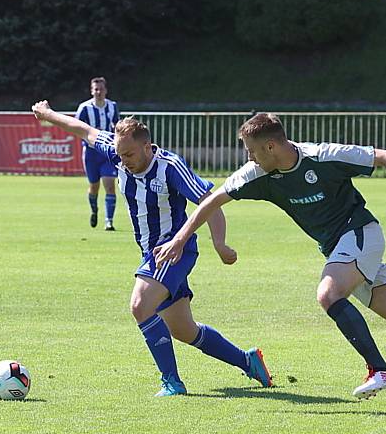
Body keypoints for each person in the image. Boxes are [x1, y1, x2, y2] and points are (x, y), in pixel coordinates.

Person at [154, 113, 386, 404]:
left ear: (271, 146)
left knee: (328, 294)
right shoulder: (257, 175)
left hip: (361, 233)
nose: (248, 157)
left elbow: (385, 156)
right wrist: (183, 239)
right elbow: (212, 201)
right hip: (341, 249)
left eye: (251, 150)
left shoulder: (324, 156)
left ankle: (379, 369)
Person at [31, 100, 273, 396]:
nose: (124, 160)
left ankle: (172, 382)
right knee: (184, 330)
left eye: (130, 154)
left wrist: (220, 244)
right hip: (151, 252)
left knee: (139, 305)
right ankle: (247, 361)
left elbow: (209, 201)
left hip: (175, 249)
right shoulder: (118, 153)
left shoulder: (169, 167)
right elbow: (83, 129)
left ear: (148, 147)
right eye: (120, 155)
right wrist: (48, 115)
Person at [76, 77, 120, 231]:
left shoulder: (113, 106)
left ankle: (109, 221)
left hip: (107, 152)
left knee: (110, 185)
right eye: (96, 89)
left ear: (105, 90)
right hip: (90, 153)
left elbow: (117, 125)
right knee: (94, 186)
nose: (98, 92)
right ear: (91, 91)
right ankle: (94, 210)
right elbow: (76, 127)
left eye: (101, 89)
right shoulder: (84, 108)